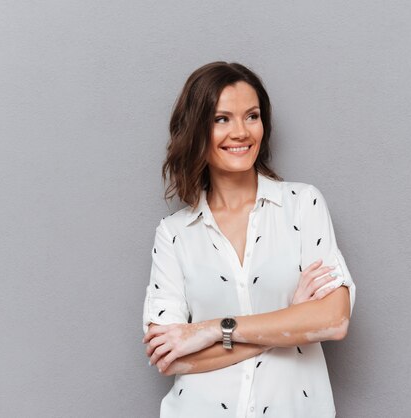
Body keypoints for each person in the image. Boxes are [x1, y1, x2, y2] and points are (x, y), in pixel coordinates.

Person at [142, 61, 356, 418]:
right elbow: (171, 359)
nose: (240, 132)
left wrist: (213, 330)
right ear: (196, 129)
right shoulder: (174, 235)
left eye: (252, 116)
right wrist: (291, 320)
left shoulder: (303, 205)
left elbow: (334, 320)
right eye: (221, 119)